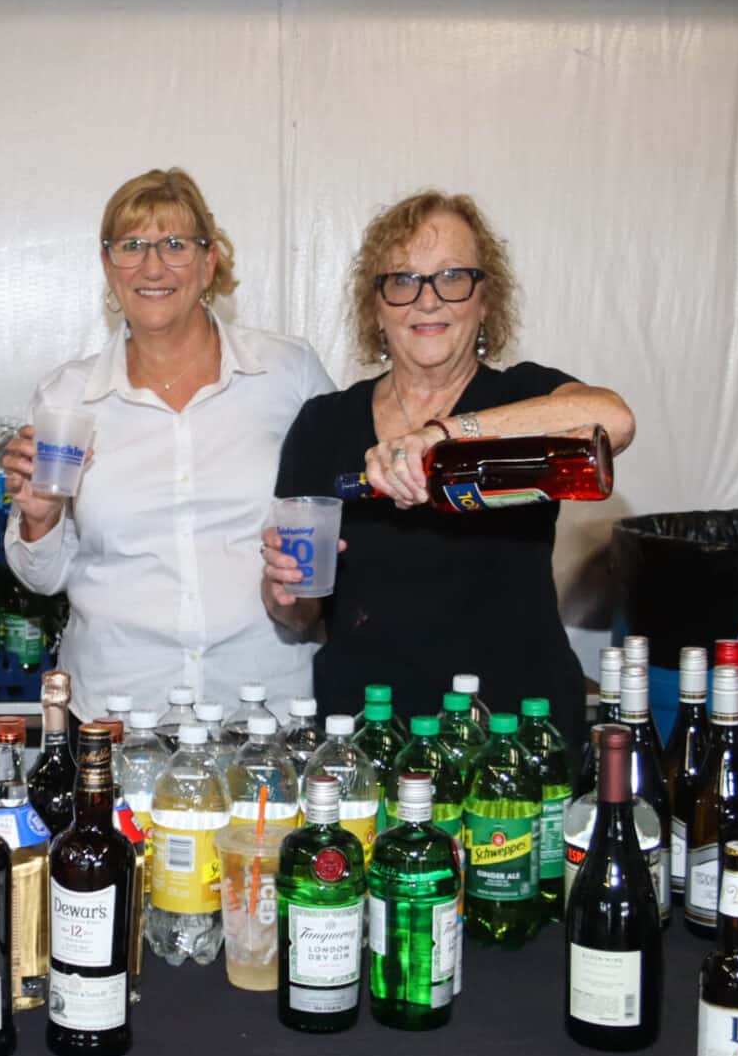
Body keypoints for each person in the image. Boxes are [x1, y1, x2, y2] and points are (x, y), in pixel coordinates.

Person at [262, 189, 636, 753]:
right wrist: (284, 591)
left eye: (453, 277)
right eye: (403, 280)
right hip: (366, 736)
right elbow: (300, 618)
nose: (428, 301)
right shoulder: (325, 424)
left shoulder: (521, 398)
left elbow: (615, 418)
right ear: (376, 305)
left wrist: (444, 434)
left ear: (486, 300)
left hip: (513, 735)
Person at [1, 167, 335, 721]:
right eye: (131, 246)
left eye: (175, 244)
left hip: (265, 709)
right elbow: (44, 578)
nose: (152, 266)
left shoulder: (287, 373)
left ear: (210, 263)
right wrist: (40, 518)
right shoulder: (68, 396)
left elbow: (336, 518)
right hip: (116, 710)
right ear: (109, 267)